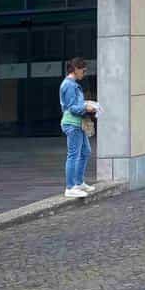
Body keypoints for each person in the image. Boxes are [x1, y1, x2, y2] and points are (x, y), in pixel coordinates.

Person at [59, 57, 95, 198]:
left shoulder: (71, 84)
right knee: (74, 154)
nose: (84, 73)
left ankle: (78, 182)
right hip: (72, 123)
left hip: (76, 123)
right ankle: (70, 187)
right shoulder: (69, 85)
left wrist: (86, 106)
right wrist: (86, 107)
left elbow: (73, 105)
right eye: (83, 70)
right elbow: (72, 107)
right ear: (76, 69)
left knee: (85, 151)